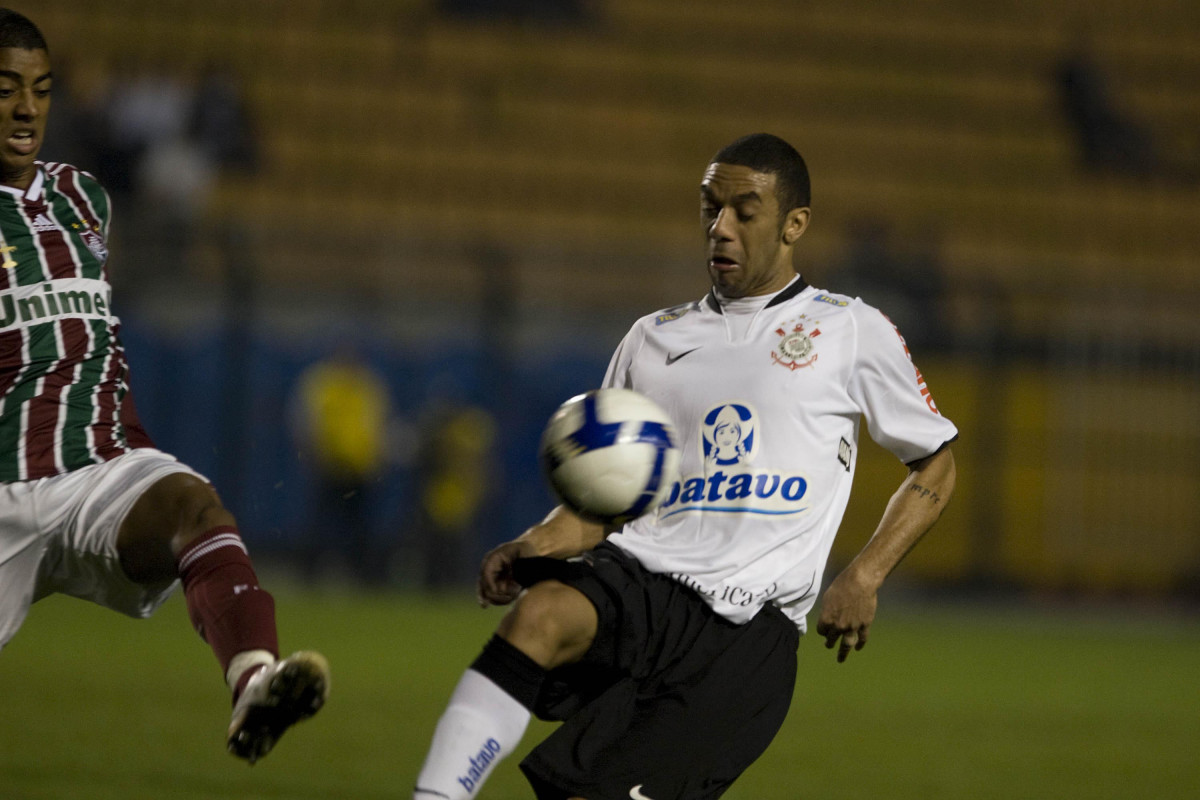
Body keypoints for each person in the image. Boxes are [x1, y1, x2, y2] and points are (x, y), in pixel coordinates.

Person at [411, 132, 958, 800]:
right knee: (539, 615)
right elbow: (606, 500)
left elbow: (935, 464)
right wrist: (534, 543)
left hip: (746, 634)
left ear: (794, 225)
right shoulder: (652, 337)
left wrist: (864, 575)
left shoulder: (848, 328)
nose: (719, 228)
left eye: (743, 212)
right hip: (644, 579)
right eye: (710, 207)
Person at [0, 9, 329, 763]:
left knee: (195, 508)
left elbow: (91, 342)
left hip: (96, 470)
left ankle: (254, 683)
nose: (27, 108)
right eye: (6, 88)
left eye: (42, 90)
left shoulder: (84, 199)